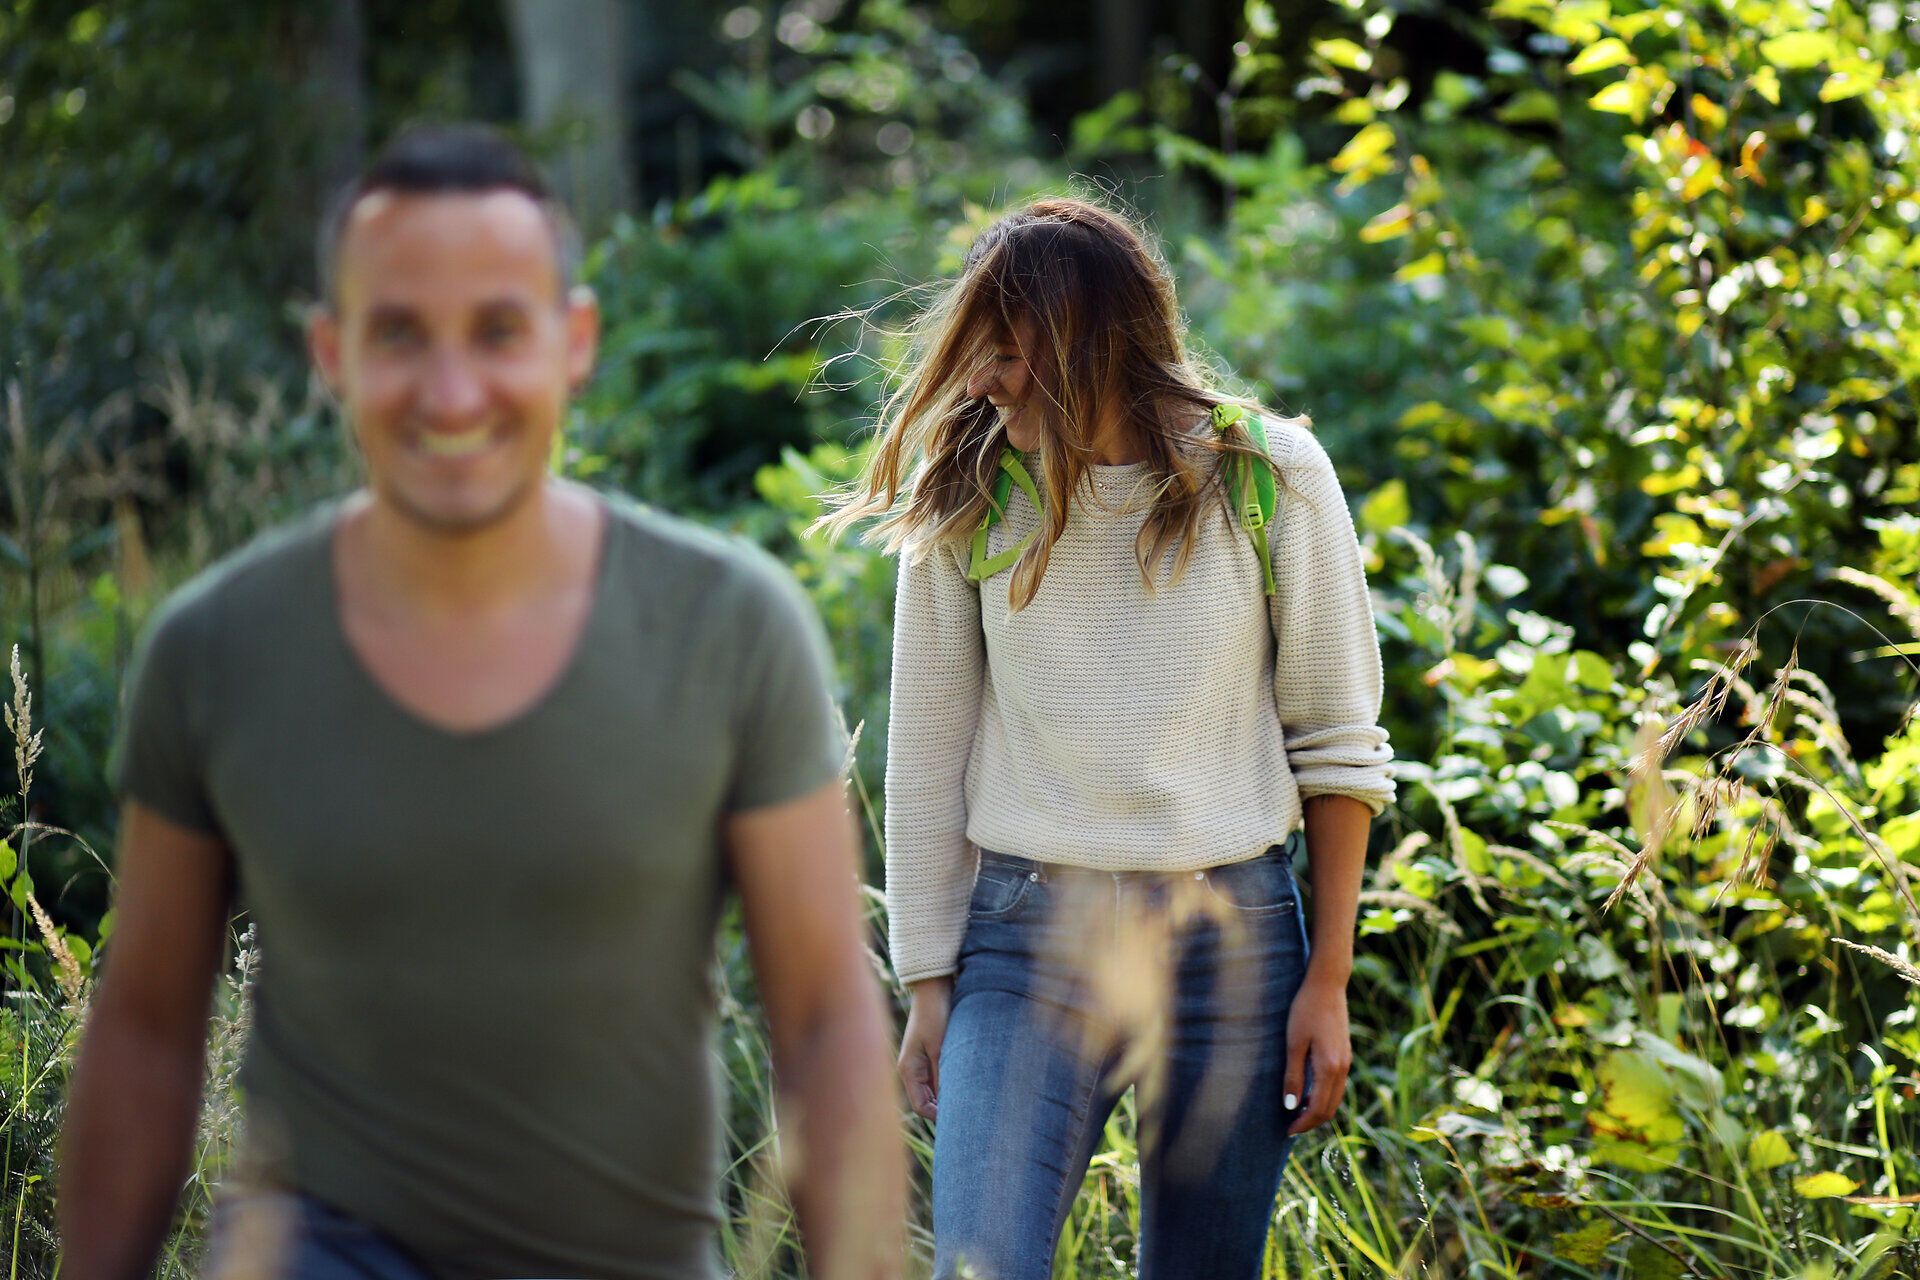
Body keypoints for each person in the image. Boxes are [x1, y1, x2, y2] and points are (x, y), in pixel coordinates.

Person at [59, 123, 903, 1280]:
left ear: (576, 343)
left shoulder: (727, 627)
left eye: (499, 331)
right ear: (330, 352)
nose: (451, 391)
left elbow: (823, 1018)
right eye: (398, 334)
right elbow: (147, 1024)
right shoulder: (218, 647)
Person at [819, 196, 1395, 1279]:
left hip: (1236, 945)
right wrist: (929, 983)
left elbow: (1338, 743)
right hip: (1026, 942)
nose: (983, 378)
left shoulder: (1270, 478)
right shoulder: (972, 491)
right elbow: (927, 758)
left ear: (1095, 339)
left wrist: (1328, 977)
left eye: (1007, 351)